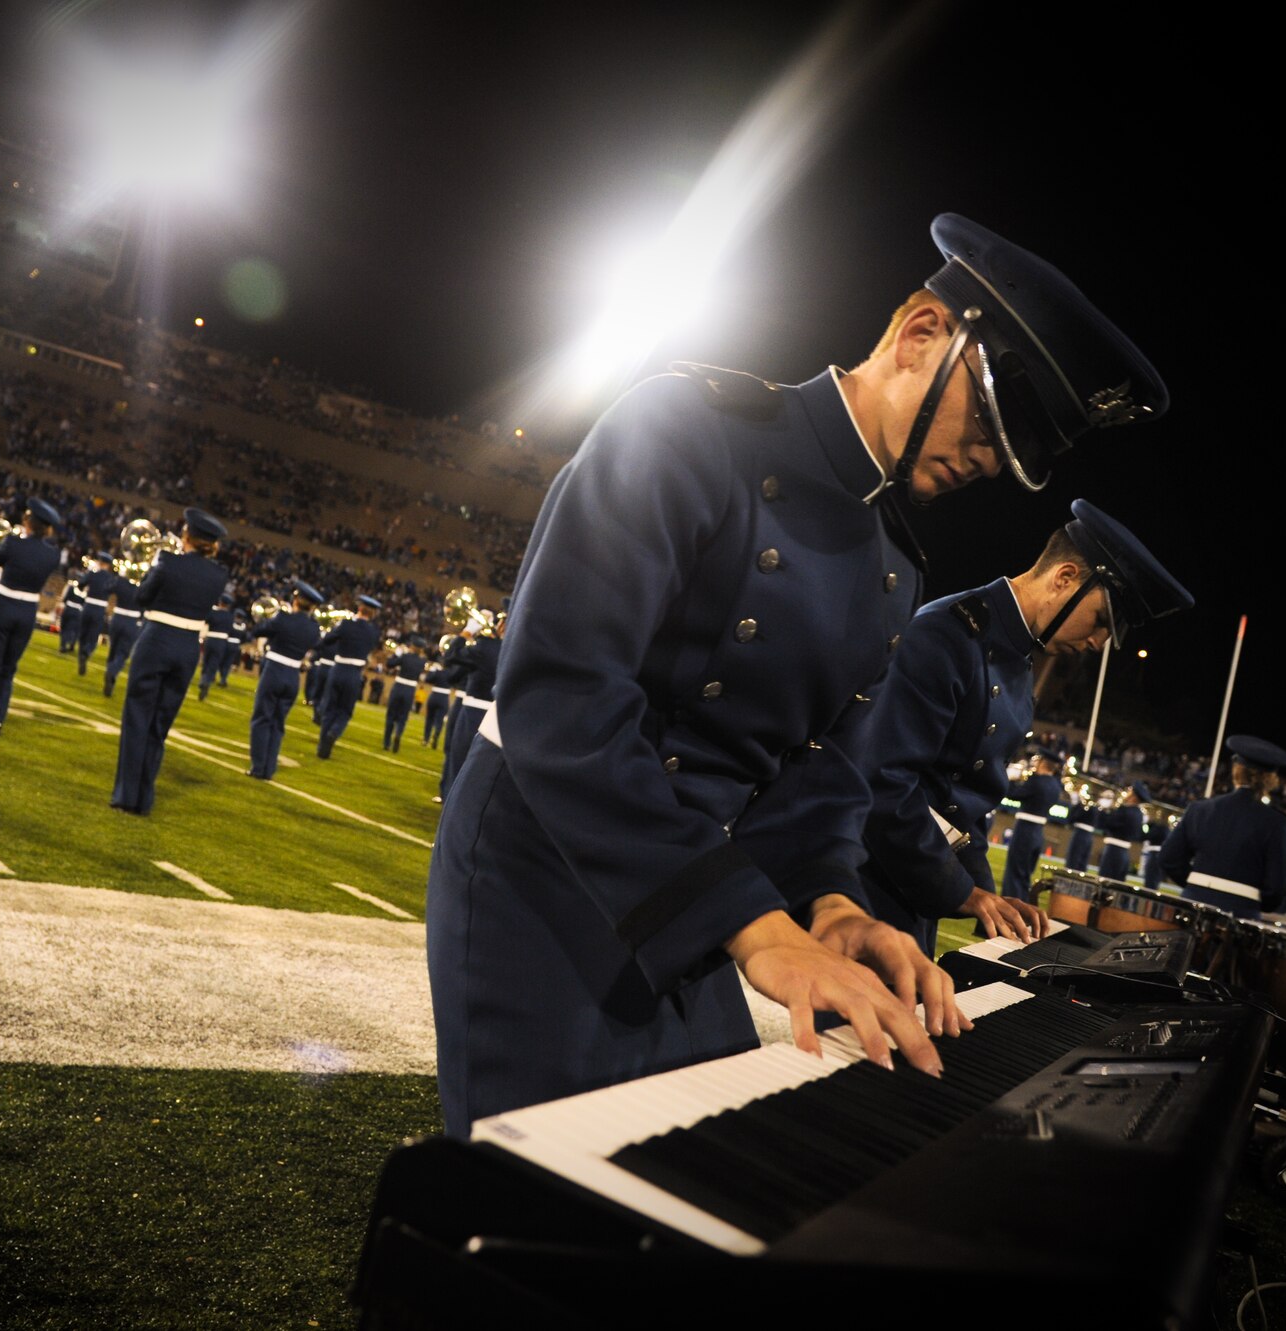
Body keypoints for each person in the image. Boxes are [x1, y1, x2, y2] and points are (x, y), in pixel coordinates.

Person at [426, 212, 1171, 1133]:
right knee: (536, 1200)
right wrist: (753, 921)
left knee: (690, 1169)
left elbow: (821, 775)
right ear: (919, 334)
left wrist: (832, 904)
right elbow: (563, 698)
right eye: (991, 418)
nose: (987, 460)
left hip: (706, 892)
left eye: (1012, 452)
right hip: (552, 862)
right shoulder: (686, 428)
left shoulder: (897, 563)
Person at [857, 502, 1192, 954]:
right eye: (1100, 620)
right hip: (869, 883)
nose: (1099, 643)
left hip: (910, 887)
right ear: (1065, 578)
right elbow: (885, 782)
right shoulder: (946, 635)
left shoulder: (1018, 658)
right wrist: (962, 892)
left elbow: (962, 805)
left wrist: (988, 895)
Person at [111, 508, 229, 813]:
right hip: (188, 648)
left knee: (138, 716)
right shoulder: (220, 574)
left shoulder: (167, 561)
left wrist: (154, 566)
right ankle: (144, 799)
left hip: (157, 640)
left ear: (187, 535)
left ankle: (126, 796)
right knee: (160, 724)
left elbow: (143, 597)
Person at [1160, 735, 1286, 918]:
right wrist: (1254, 901)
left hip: (1192, 905)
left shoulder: (1200, 809)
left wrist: (1197, 884)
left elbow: (1168, 858)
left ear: (1236, 770)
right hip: (1242, 912)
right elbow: (1278, 885)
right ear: (1270, 779)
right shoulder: (1277, 823)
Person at [0, 498, 63, 735]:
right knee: (8, 668)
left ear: (28, 522)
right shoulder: (53, 554)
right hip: (28, 611)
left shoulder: (13, 543)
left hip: (3, 605)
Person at [245, 581, 323, 779]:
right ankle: (269, 769)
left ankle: (258, 767)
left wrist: (264, 618)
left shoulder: (282, 618)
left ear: (296, 600)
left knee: (262, 719)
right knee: (278, 724)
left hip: (274, 671)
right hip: (293, 676)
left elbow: (258, 631)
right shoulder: (314, 628)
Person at [437, 617, 501, 802]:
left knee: (457, 763)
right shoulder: (516, 649)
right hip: (498, 718)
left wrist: (467, 632)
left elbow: (450, 657)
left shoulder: (485, 647)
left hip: (473, 712)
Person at [316, 594, 383, 758]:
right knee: (345, 711)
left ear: (359, 608)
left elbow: (327, 641)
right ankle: (335, 731)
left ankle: (322, 749)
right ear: (372, 613)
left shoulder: (345, 624)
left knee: (330, 708)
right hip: (354, 673)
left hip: (338, 669)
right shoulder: (373, 631)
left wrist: (336, 628)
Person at [999, 748, 1065, 904]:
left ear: (1043, 763)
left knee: (1014, 873)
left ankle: (1010, 908)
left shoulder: (1037, 781)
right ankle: (1023, 909)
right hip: (1038, 832)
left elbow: (1012, 794)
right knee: (1024, 875)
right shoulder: (1056, 785)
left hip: (1025, 830)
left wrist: (1010, 777)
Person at [100, 558, 146, 699]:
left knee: (113, 649)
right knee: (123, 652)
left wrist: (119, 577)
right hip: (132, 622)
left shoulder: (121, 582)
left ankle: (110, 670)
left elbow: (106, 588)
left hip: (117, 618)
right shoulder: (142, 587)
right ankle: (112, 671)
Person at [1096, 780, 1153, 880]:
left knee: (1103, 884)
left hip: (1113, 852)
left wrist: (1103, 807)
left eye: (1130, 791)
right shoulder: (1138, 814)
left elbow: (1105, 824)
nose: (1127, 792)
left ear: (1134, 797)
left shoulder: (1125, 811)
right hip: (1124, 854)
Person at [382, 636, 427, 752]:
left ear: (412, 646)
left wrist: (396, 654)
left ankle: (387, 742)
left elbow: (390, 664)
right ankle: (398, 734)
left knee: (391, 715)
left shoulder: (405, 657)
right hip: (410, 689)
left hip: (399, 687)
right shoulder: (422, 661)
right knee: (403, 716)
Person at [75, 552, 117, 675]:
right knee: (93, 634)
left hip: (88, 606)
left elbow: (80, 585)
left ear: (100, 562)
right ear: (108, 565)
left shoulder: (92, 574)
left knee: (83, 632)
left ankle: (81, 652)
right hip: (100, 608)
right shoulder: (111, 578)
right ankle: (87, 652)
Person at [198, 593, 237, 700]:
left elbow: (205, 620)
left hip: (210, 639)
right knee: (214, 663)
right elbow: (231, 630)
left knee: (206, 660)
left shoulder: (214, 613)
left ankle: (203, 679)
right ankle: (206, 681)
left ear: (220, 602)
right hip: (221, 642)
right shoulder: (230, 617)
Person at [421, 651, 454, 748]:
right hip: (444, 697)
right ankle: (435, 737)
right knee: (440, 720)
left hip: (434, 695)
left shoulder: (438, 671)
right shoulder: (452, 673)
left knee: (429, 719)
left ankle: (426, 739)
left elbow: (428, 679)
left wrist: (432, 671)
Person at [1061, 789, 1097, 873]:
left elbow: (1071, 819)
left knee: (1073, 860)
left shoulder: (1083, 807)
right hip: (1089, 836)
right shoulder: (1094, 809)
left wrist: (1076, 804)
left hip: (1080, 834)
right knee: (1082, 863)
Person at [56, 558, 85, 654]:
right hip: (78, 611)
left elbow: (65, 597)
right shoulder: (85, 590)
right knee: (75, 629)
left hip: (69, 608)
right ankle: (71, 644)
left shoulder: (71, 586)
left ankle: (63, 645)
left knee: (65, 627)